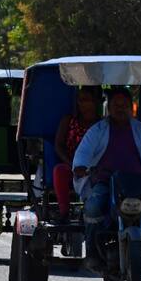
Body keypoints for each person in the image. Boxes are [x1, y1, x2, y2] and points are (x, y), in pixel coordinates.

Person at [73, 88, 141, 275]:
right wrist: (80, 166)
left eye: (125, 106)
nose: (121, 109)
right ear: (108, 108)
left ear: (132, 108)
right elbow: (83, 153)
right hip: (106, 183)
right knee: (93, 207)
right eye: (116, 105)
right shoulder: (98, 130)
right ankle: (93, 253)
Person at [52, 86, 102, 220]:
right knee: (59, 171)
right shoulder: (68, 121)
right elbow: (59, 145)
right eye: (80, 100)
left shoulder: (102, 124)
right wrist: (72, 163)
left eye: (87, 99)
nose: (83, 103)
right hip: (72, 165)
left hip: (97, 169)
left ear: (96, 102)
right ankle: (64, 212)